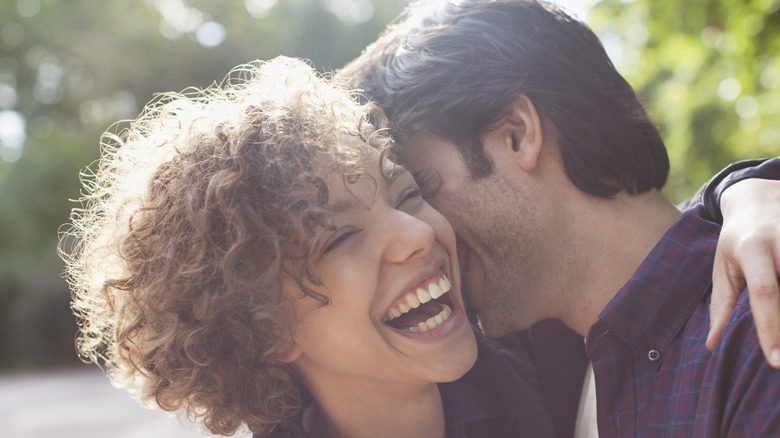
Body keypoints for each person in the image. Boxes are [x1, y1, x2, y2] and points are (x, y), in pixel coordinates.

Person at [340, 0, 780, 435]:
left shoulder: (758, 338)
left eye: (421, 191)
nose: (423, 232)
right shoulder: (542, 366)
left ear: (517, 134)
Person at [60, 56, 561, 438]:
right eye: (340, 237)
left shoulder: (570, 381)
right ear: (265, 327)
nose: (419, 234)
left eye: (408, 195)